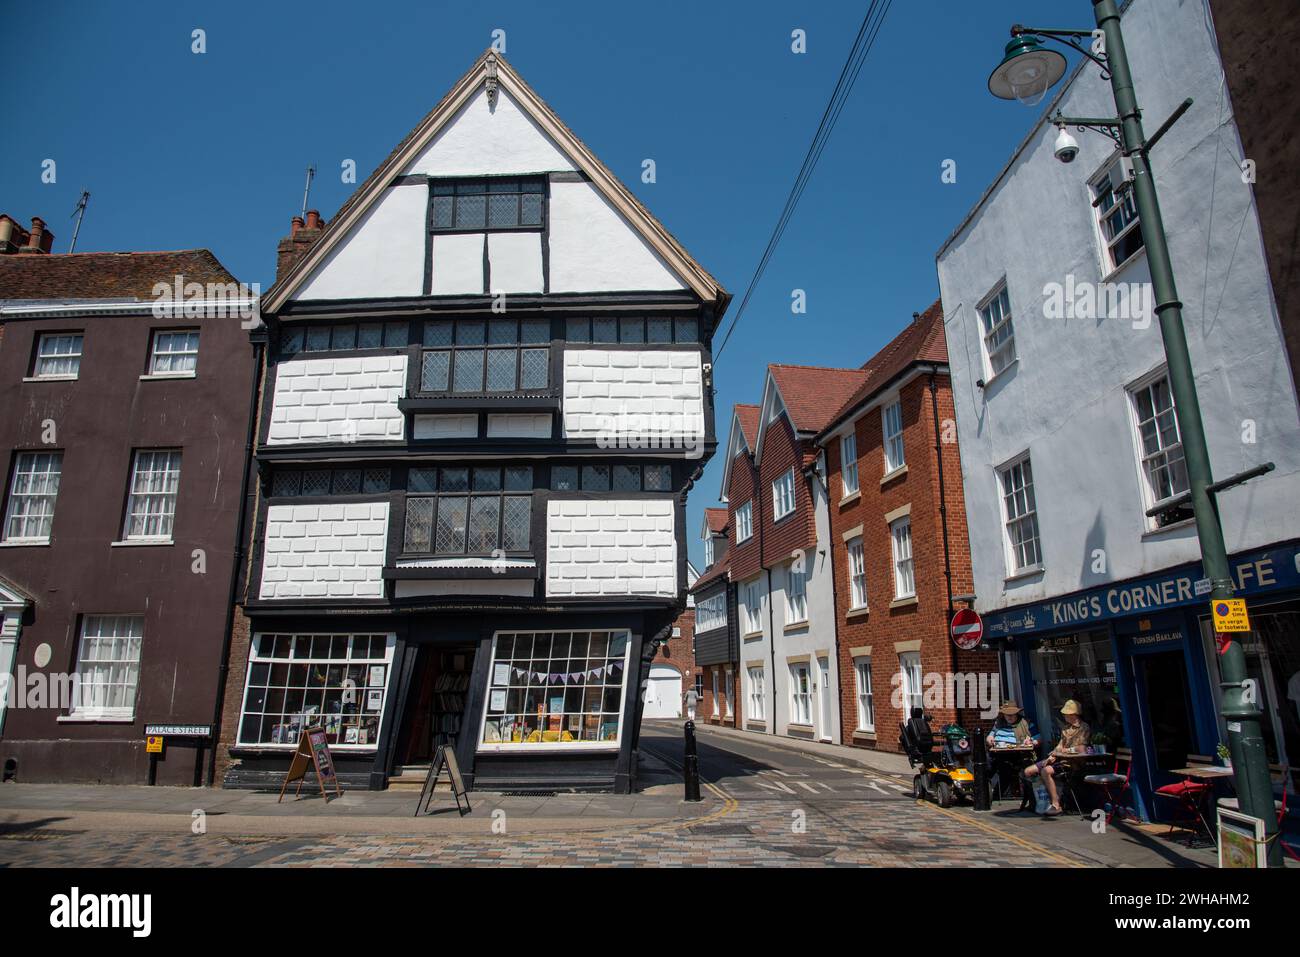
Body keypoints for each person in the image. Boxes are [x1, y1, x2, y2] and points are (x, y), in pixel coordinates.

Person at [1023, 699, 1092, 816]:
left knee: (1046, 771)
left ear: (1073, 715)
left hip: (1072, 763)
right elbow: (1060, 745)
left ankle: (1056, 804)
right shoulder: (1065, 729)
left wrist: (1065, 751)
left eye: (1066, 714)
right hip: (1059, 760)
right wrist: (1052, 755)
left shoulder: (1084, 727)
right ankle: (1039, 801)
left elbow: (1082, 748)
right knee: (1028, 771)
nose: (1064, 716)